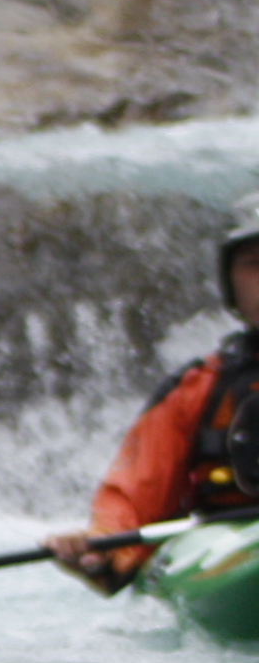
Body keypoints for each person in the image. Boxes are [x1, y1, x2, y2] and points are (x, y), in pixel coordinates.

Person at [50, 192, 259, 592]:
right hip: (231, 543)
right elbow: (129, 509)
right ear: (230, 285)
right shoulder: (198, 389)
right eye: (255, 265)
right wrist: (96, 550)